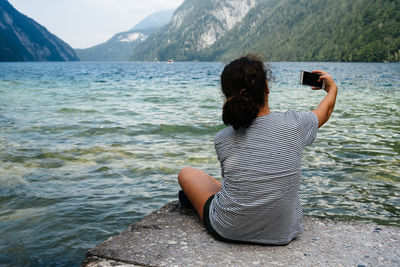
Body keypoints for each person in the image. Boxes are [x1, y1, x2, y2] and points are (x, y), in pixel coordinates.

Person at [178, 55, 338, 245]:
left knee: (186, 173)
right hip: (282, 233)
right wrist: (332, 89)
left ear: (228, 97)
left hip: (229, 229)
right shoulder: (296, 124)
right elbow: (325, 111)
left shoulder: (222, 138)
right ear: (267, 89)